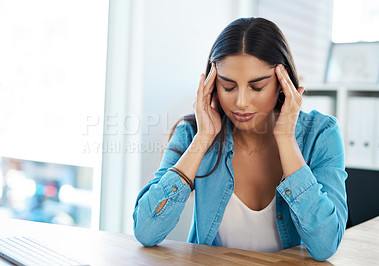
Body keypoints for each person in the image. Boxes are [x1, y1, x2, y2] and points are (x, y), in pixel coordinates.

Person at [132, 17, 348, 262]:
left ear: (282, 83)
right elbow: (145, 231)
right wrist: (203, 138)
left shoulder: (321, 134)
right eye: (228, 86)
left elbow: (326, 245)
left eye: (257, 87)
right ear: (212, 85)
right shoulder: (192, 134)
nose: (241, 102)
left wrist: (286, 138)